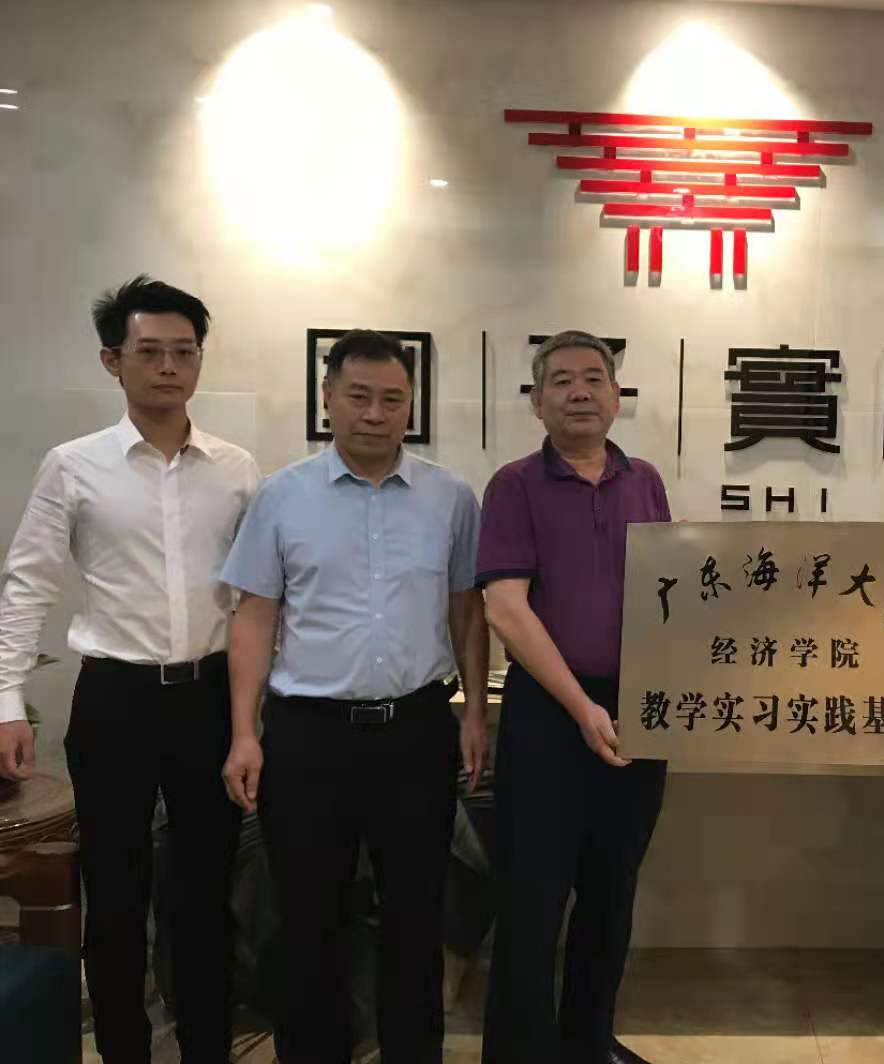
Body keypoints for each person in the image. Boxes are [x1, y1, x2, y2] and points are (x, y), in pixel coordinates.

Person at [0, 275, 259, 1062]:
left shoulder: (237, 468)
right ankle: (123, 1051)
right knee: (115, 897)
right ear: (113, 360)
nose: (169, 367)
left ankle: (207, 1048)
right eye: (150, 352)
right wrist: (7, 700)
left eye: (185, 352)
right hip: (115, 699)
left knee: (206, 894)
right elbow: (28, 583)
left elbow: (261, 595)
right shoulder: (74, 465)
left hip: (210, 696)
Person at [219, 329, 486, 1064]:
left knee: (415, 918)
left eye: (392, 399)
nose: (375, 413)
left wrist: (474, 713)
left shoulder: (451, 497)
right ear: (328, 397)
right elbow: (254, 616)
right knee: (308, 920)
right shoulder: (282, 496)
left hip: (416, 730)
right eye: (359, 396)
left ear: (411, 405)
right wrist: (244, 733)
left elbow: (467, 610)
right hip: (309, 736)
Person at [478, 330, 670, 1064]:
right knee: (533, 896)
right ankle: (520, 1051)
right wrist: (580, 707)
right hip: (548, 716)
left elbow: (673, 593)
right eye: (561, 380)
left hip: (638, 709)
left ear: (617, 396)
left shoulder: (644, 480)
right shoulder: (514, 485)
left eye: (594, 378)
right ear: (537, 401)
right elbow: (505, 608)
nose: (580, 392)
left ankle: (590, 1040)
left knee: (611, 889)